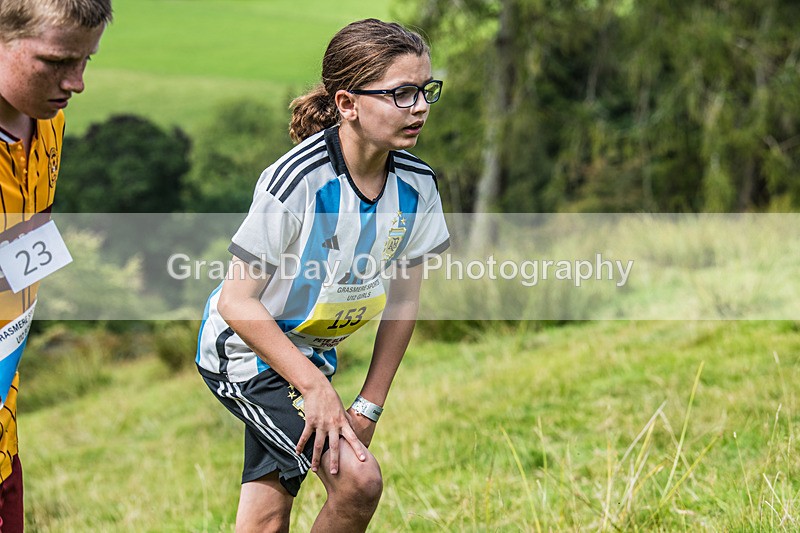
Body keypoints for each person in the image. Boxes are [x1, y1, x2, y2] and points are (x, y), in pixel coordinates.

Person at [196, 18, 449, 532]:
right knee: (359, 481)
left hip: (309, 356)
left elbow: (403, 304)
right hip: (245, 353)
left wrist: (368, 406)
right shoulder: (296, 180)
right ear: (347, 104)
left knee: (265, 517)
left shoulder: (418, 185)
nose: (419, 106)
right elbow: (235, 302)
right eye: (401, 93)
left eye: (424, 90)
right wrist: (317, 390)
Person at [0, 0, 111, 528]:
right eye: (56, 61)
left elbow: (31, 240)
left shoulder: (49, 123)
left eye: (85, 61)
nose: (76, 82)